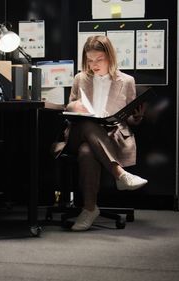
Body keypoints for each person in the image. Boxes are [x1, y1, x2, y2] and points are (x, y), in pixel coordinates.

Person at [51, 35, 148, 231]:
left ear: (110, 57)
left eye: (99, 59)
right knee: (87, 125)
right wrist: (75, 106)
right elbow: (70, 107)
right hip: (78, 134)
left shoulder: (127, 81)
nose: (94, 65)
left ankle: (89, 209)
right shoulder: (80, 78)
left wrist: (136, 117)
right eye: (90, 60)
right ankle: (119, 174)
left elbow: (128, 118)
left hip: (111, 136)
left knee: (88, 151)